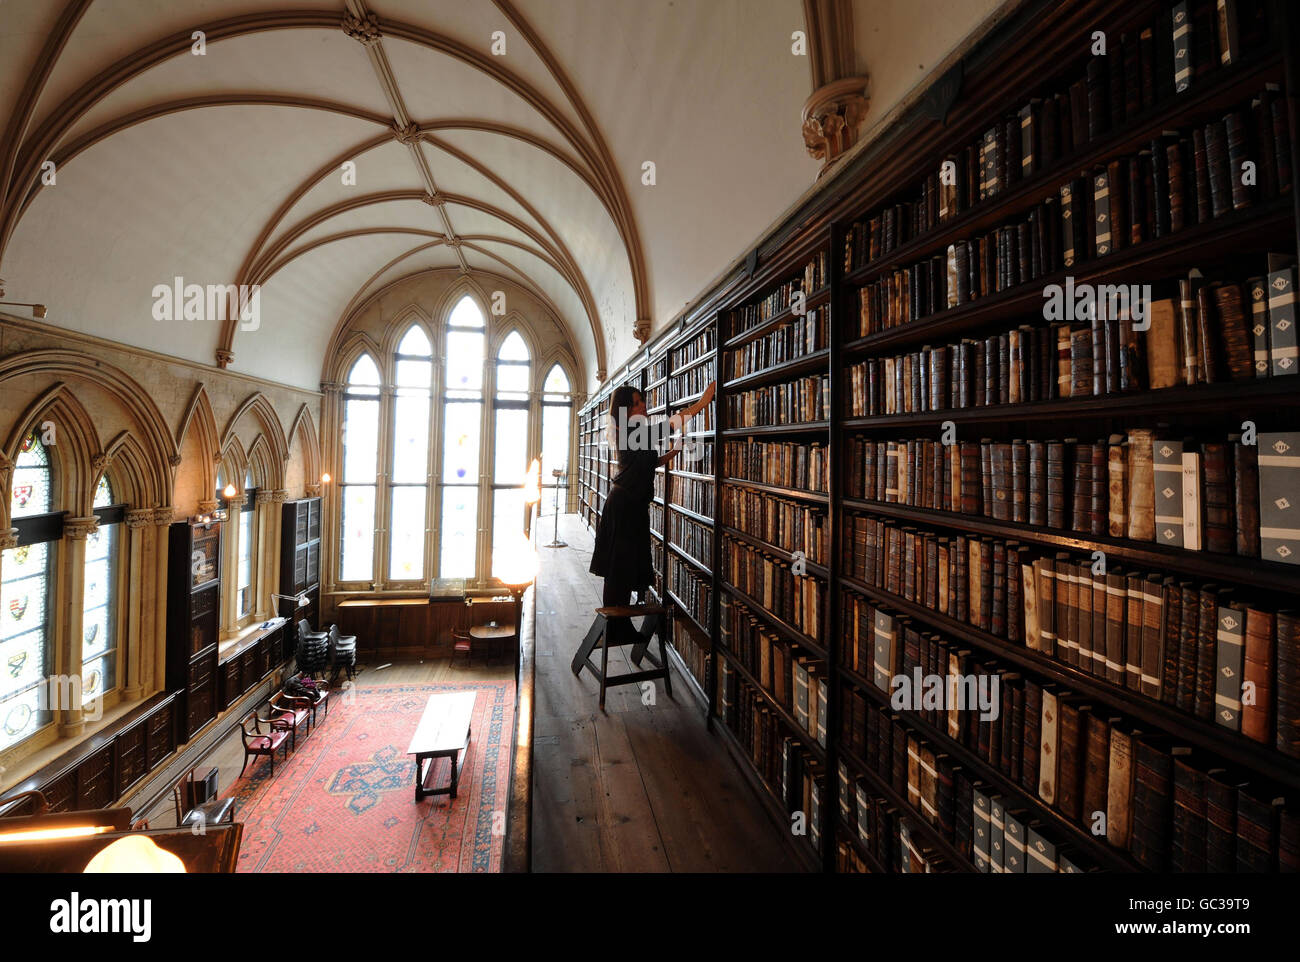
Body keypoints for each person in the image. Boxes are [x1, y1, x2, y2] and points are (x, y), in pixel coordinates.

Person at [589, 380, 716, 609]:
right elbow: (671, 424)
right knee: (619, 568)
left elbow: (647, 463)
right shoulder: (630, 432)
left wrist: (671, 454)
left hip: (632, 504)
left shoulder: (636, 433)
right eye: (636, 403)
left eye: (642, 401)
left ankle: (620, 622)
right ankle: (614, 623)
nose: (643, 406)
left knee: (625, 567)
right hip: (624, 505)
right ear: (625, 410)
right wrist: (703, 402)